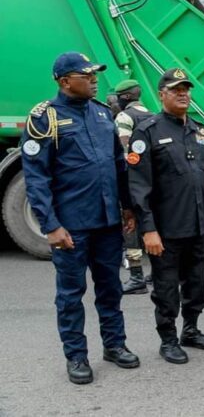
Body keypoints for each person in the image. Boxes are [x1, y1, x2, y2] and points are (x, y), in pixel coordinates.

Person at [21, 52, 139, 384]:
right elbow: (36, 178)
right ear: (64, 81)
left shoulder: (103, 114)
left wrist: (127, 207)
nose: (94, 79)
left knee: (110, 288)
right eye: (86, 75)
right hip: (71, 226)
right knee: (71, 295)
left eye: (94, 74)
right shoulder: (45, 118)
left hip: (107, 222)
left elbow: (118, 165)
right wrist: (51, 226)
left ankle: (115, 346)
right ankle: (76, 356)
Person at [128, 68, 204, 364]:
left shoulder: (197, 130)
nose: (183, 94)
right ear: (162, 95)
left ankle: (191, 330)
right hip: (166, 230)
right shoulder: (147, 131)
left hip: (197, 226)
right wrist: (148, 229)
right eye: (176, 90)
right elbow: (138, 186)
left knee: (197, 284)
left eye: (186, 89)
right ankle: (168, 339)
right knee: (167, 288)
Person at [113, 79, 155, 295]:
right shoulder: (152, 116)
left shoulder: (124, 117)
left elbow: (126, 151)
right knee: (154, 226)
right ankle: (156, 275)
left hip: (133, 181)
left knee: (131, 227)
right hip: (152, 182)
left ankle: (137, 277)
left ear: (125, 97)